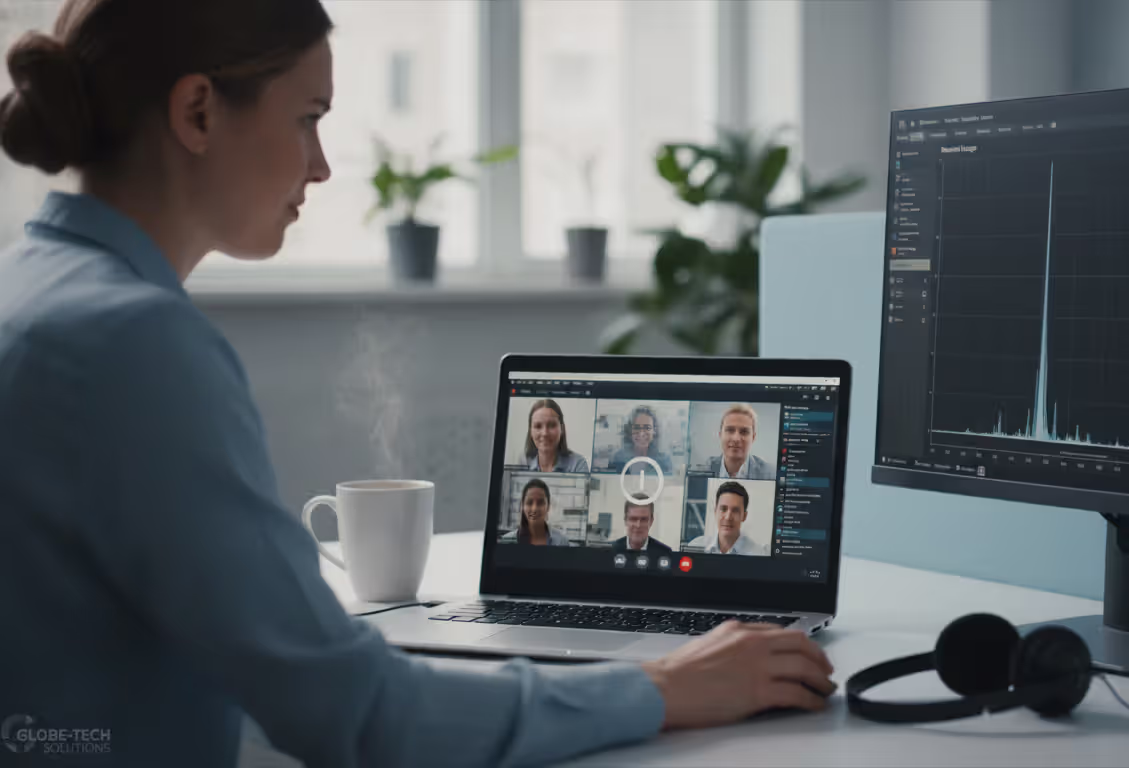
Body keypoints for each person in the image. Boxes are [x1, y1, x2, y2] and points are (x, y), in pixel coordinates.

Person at [0, 2, 835, 767]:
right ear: (197, 111)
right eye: (308, 119)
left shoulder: (28, 292)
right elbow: (357, 713)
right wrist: (663, 688)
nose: (322, 166)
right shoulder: (134, 343)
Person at [687, 482, 768, 556]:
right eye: (723, 509)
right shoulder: (695, 546)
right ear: (715, 512)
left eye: (735, 510)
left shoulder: (759, 553)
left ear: (744, 516)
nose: (728, 517)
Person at [706, 403, 776, 480]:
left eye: (744, 432)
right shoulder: (705, 468)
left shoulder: (771, 474)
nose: (736, 438)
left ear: (753, 437)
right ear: (720, 434)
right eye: (730, 430)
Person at [521, 398, 590, 473]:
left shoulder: (577, 464)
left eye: (551, 425)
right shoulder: (523, 462)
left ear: (562, 429)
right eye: (538, 426)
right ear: (530, 431)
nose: (545, 433)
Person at [499, 478, 572, 546]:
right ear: (522, 506)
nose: (534, 509)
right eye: (529, 502)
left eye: (540, 503)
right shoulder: (506, 541)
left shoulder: (561, 541)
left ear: (548, 506)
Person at [609, 404, 674, 473]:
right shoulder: (618, 458)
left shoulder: (663, 460)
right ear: (630, 431)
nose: (641, 433)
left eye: (647, 428)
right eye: (637, 427)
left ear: (654, 431)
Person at [609, 494, 674, 554]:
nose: (638, 525)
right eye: (633, 519)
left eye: (643, 519)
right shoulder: (610, 551)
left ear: (651, 521)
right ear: (625, 520)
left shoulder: (664, 553)